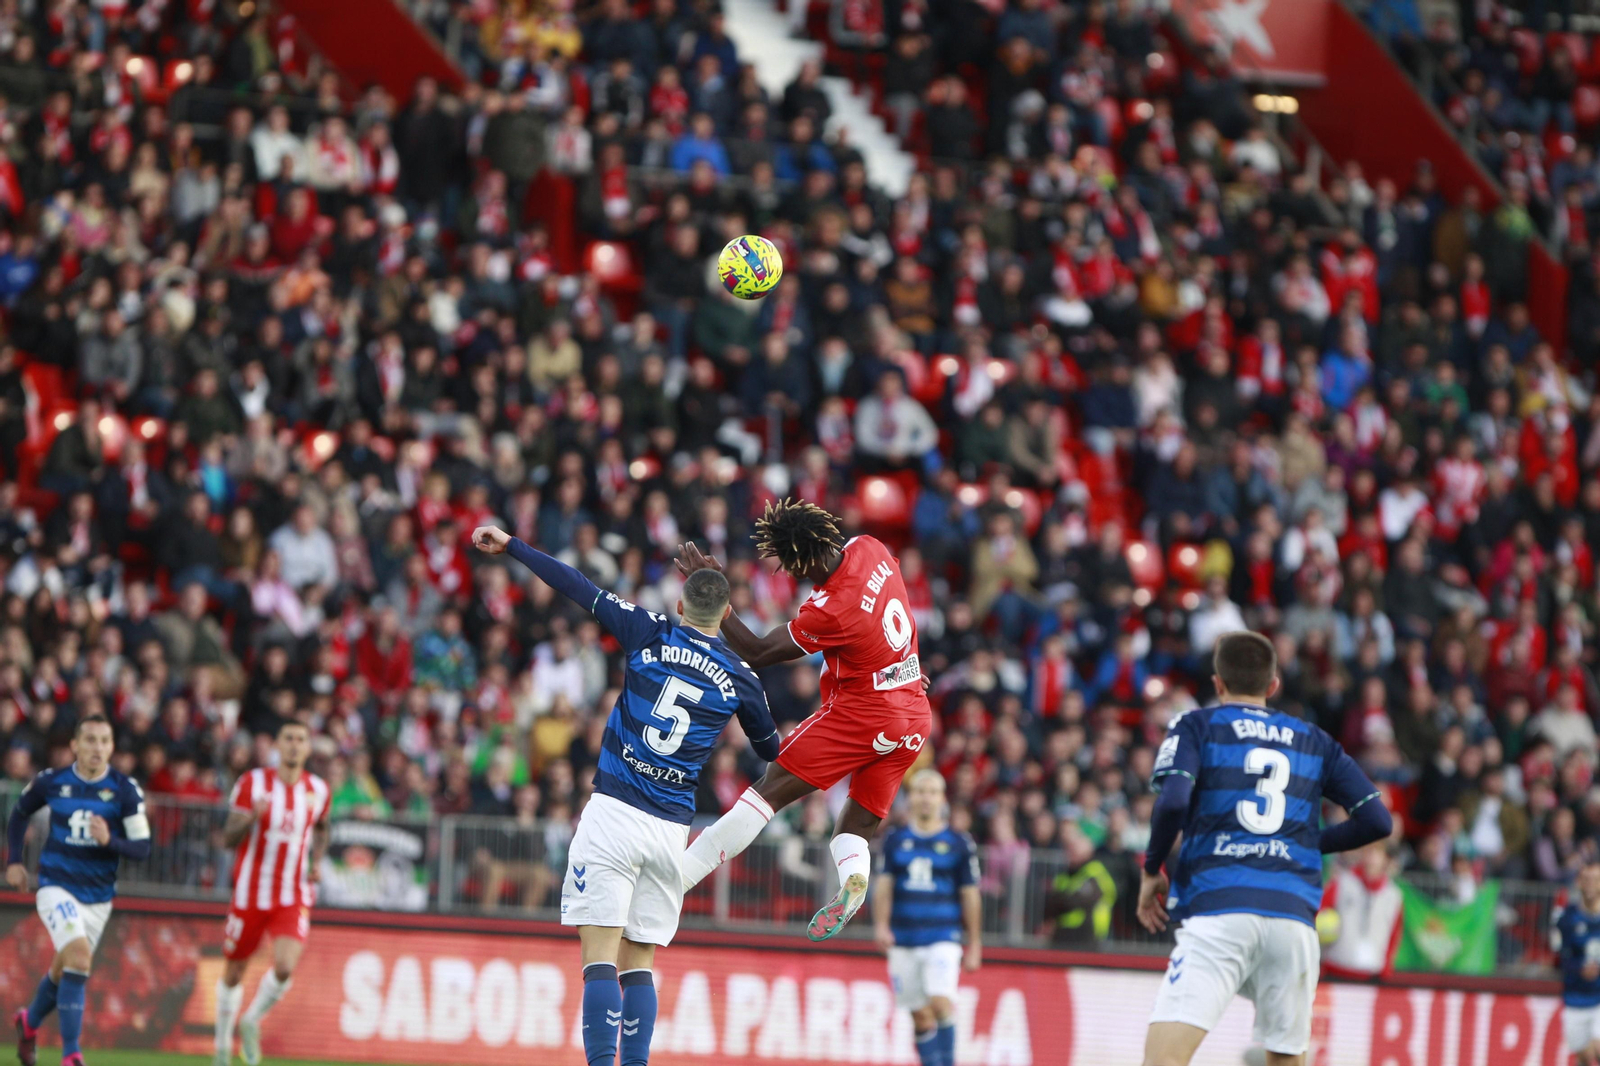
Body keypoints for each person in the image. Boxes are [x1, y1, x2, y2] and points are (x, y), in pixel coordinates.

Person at [472, 523, 779, 1066]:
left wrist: (514, 546)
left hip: (614, 812)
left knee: (599, 960)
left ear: (681, 604)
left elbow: (577, 585)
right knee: (640, 963)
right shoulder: (741, 675)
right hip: (669, 831)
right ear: (726, 613)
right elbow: (772, 749)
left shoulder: (652, 631)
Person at [677, 498, 934, 942]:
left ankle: (675, 880)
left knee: (765, 794)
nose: (791, 575)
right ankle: (854, 879)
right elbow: (895, 614)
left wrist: (717, 595)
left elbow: (758, 652)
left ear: (807, 558)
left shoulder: (833, 609)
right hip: (913, 711)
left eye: (791, 566)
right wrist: (900, 667)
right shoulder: (870, 547)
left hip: (864, 713)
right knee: (853, 827)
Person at [1137, 631, 1393, 1066]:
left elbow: (1175, 800)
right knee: (1285, 1057)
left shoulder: (1197, 724)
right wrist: (1305, 844)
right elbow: (1377, 820)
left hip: (1220, 909)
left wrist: (1151, 868)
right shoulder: (1316, 740)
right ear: (1273, 685)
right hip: (1293, 920)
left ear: (1217, 683)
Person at [7, 715, 151, 1066]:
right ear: (75, 745)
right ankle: (71, 1054)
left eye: (104, 741)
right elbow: (19, 814)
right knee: (80, 959)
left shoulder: (125, 790)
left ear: (112, 747)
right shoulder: (51, 781)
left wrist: (110, 841)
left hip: (98, 898)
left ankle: (29, 1023)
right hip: (55, 885)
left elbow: (143, 848)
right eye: (89, 740)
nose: (97, 748)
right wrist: (14, 860)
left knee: (64, 968)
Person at [214, 720, 331, 1066]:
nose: (294, 745)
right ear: (278, 745)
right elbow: (228, 837)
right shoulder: (253, 783)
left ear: (308, 748)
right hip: (251, 892)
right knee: (233, 973)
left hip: (292, 893)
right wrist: (252, 817)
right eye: (289, 739)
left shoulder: (318, 790)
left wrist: (317, 861)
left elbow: (323, 827)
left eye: (301, 739)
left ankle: (251, 1020)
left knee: (284, 966)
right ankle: (221, 1047)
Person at [871, 769, 981, 1066]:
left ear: (941, 799)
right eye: (920, 791)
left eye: (932, 792)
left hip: (942, 936)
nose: (926, 798)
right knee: (919, 1014)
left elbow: (970, 895)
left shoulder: (959, 842)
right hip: (903, 937)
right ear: (911, 798)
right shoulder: (895, 839)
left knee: (940, 1001)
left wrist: (975, 944)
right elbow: (884, 887)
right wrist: (881, 925)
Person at [1556, 861, 1600, 1066]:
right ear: (1579, 883)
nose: (1591, 884)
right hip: (1575, 998)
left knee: (1598, 1048)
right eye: (1587, 879)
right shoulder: (1567, 918)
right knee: (1583, 1058)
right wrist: (1579, 969)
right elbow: (1561, 959)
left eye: (1596, 880)